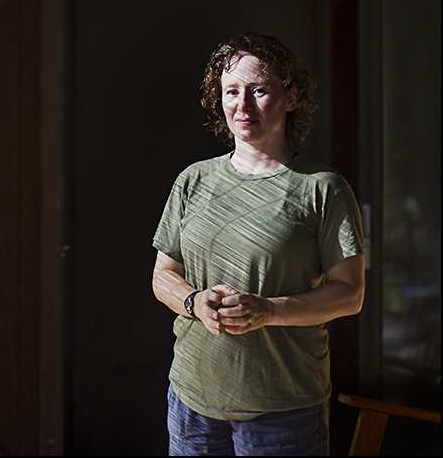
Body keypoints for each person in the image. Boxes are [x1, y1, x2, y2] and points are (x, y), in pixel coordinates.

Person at [152, 33, 365, 457]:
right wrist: (194, 301)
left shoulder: (322, 189)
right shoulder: (193, 181)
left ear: (292, 96)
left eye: (259, 90)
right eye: (231, 92)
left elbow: (350, 294)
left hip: (283, 408)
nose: (242, 106)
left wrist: (268, 310)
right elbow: (163, 275)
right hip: (192, 399)